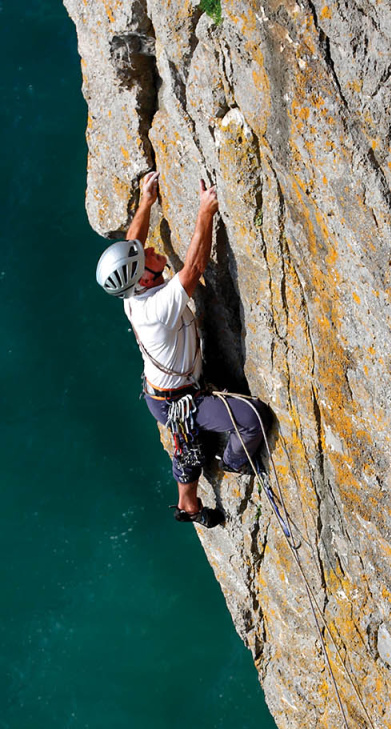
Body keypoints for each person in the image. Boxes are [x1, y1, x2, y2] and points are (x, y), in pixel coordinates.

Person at [95, 171, 267, 528]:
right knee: (251, 421)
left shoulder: (132, 288)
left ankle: (188, 505)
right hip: (179, 398)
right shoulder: (156, 309)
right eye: (150, 256)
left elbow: (133, 240)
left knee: (189, 446)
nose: (154, 250)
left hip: (163, 395)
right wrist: (206, 211)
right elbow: (194, 268)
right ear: (143, 277)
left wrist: (146, 201)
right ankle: (234, 463)